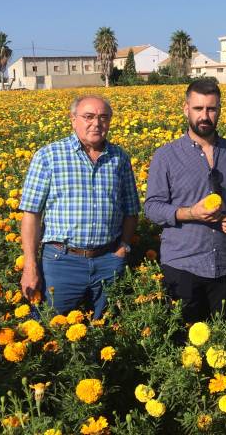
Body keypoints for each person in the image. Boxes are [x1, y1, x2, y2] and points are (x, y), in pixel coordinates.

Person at [18, 95, 140, 318]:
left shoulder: (119, 157)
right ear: (73, 119)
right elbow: (31, 214)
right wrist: (30, 266)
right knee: (50, 325)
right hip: (61, 262)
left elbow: (131, 210)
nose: (97, 123)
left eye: (103, 117)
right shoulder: (48, 156)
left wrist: (123, 248)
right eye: (88, 116)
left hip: (108, 261)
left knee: (108, 327)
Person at [144, 78, 226, 323]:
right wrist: (191, 213)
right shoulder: (166, 155)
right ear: (186, 109)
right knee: (184, 343)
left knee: (224, 337)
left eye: (211, 109)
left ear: (219, 111)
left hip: (224, 263)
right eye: (198, 109)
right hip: (183, 265)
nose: (205, 115)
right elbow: (151, 208)